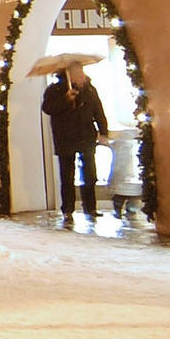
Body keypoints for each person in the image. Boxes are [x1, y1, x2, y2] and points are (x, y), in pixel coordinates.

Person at [42, 63, 107, 222]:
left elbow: (98, 110)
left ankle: (90, 207)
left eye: (81, 72)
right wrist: (66, 99)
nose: (81, 75)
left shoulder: (90, 90)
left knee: (90, 174)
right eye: (77, 72)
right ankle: (68, 209)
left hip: (86, 136)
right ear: (68, 74)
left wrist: (103, 131)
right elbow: (48, 108)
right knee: (67, 175)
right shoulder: (55, 90)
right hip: (66, 137)